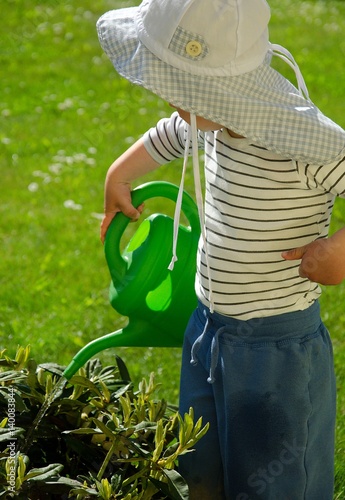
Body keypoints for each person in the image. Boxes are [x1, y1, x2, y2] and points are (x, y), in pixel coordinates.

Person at [96, 0, 345, 498]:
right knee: (201, 461)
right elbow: (166, 137)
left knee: (272, 473)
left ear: (226, 91)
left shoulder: (304, 145)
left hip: (276, 348)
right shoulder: (209, 119)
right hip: (207, 327)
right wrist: (117, 174)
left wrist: (339, 252)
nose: (173, 103)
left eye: (182, 90)